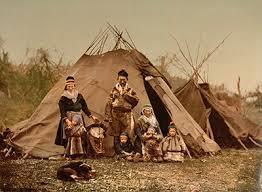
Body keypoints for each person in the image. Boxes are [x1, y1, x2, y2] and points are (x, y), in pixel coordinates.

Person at [55, 76, 98, 158]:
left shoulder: (79, 96)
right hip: (69, 117)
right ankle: (69, 153)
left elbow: (84, 107)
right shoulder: (63, 98)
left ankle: (80, 153)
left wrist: (91, 116)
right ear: (66, 86)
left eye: (72, 86)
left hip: (78, 117)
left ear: (74, 86)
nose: (71, 88)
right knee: (70, 134)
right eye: (69, 86)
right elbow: (62, 111)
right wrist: (67, 121)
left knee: (80, 134)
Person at [104, 69, 139, 146]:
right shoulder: (114, 90)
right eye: (120, 79)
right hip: (115, 114)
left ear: (127, 79)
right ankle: (118, 152)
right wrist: (108, 116)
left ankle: (128, 151)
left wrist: (127, 97)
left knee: (127, 132)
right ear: (117, 79)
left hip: (126, 114)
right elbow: (109, 103)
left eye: (124, 79)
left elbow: (136, 100)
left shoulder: (130, 90)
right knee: (116, 133)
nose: (122, 81)